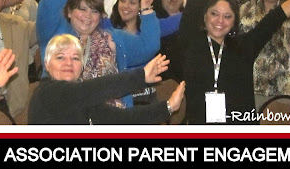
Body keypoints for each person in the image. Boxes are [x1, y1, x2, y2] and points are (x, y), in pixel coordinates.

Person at [35, 0, 161, 108]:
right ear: (69, 11)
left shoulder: (112, 38)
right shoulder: (55, 33)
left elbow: (148, 47)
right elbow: (48, 4)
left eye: (94, 11)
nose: (88, 16)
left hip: (114, 118)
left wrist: (147, 8)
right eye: (82, 9)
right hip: (68, 116)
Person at [27, 35, 185, 124]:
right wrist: (140, 76)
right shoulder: (47, 93)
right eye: (60, 57)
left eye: (75, 58)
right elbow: (93, 90)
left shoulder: (82, 101)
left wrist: (168, 107)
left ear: (81, 66)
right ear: (47, 64)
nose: (68, 63)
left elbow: (122, 119)